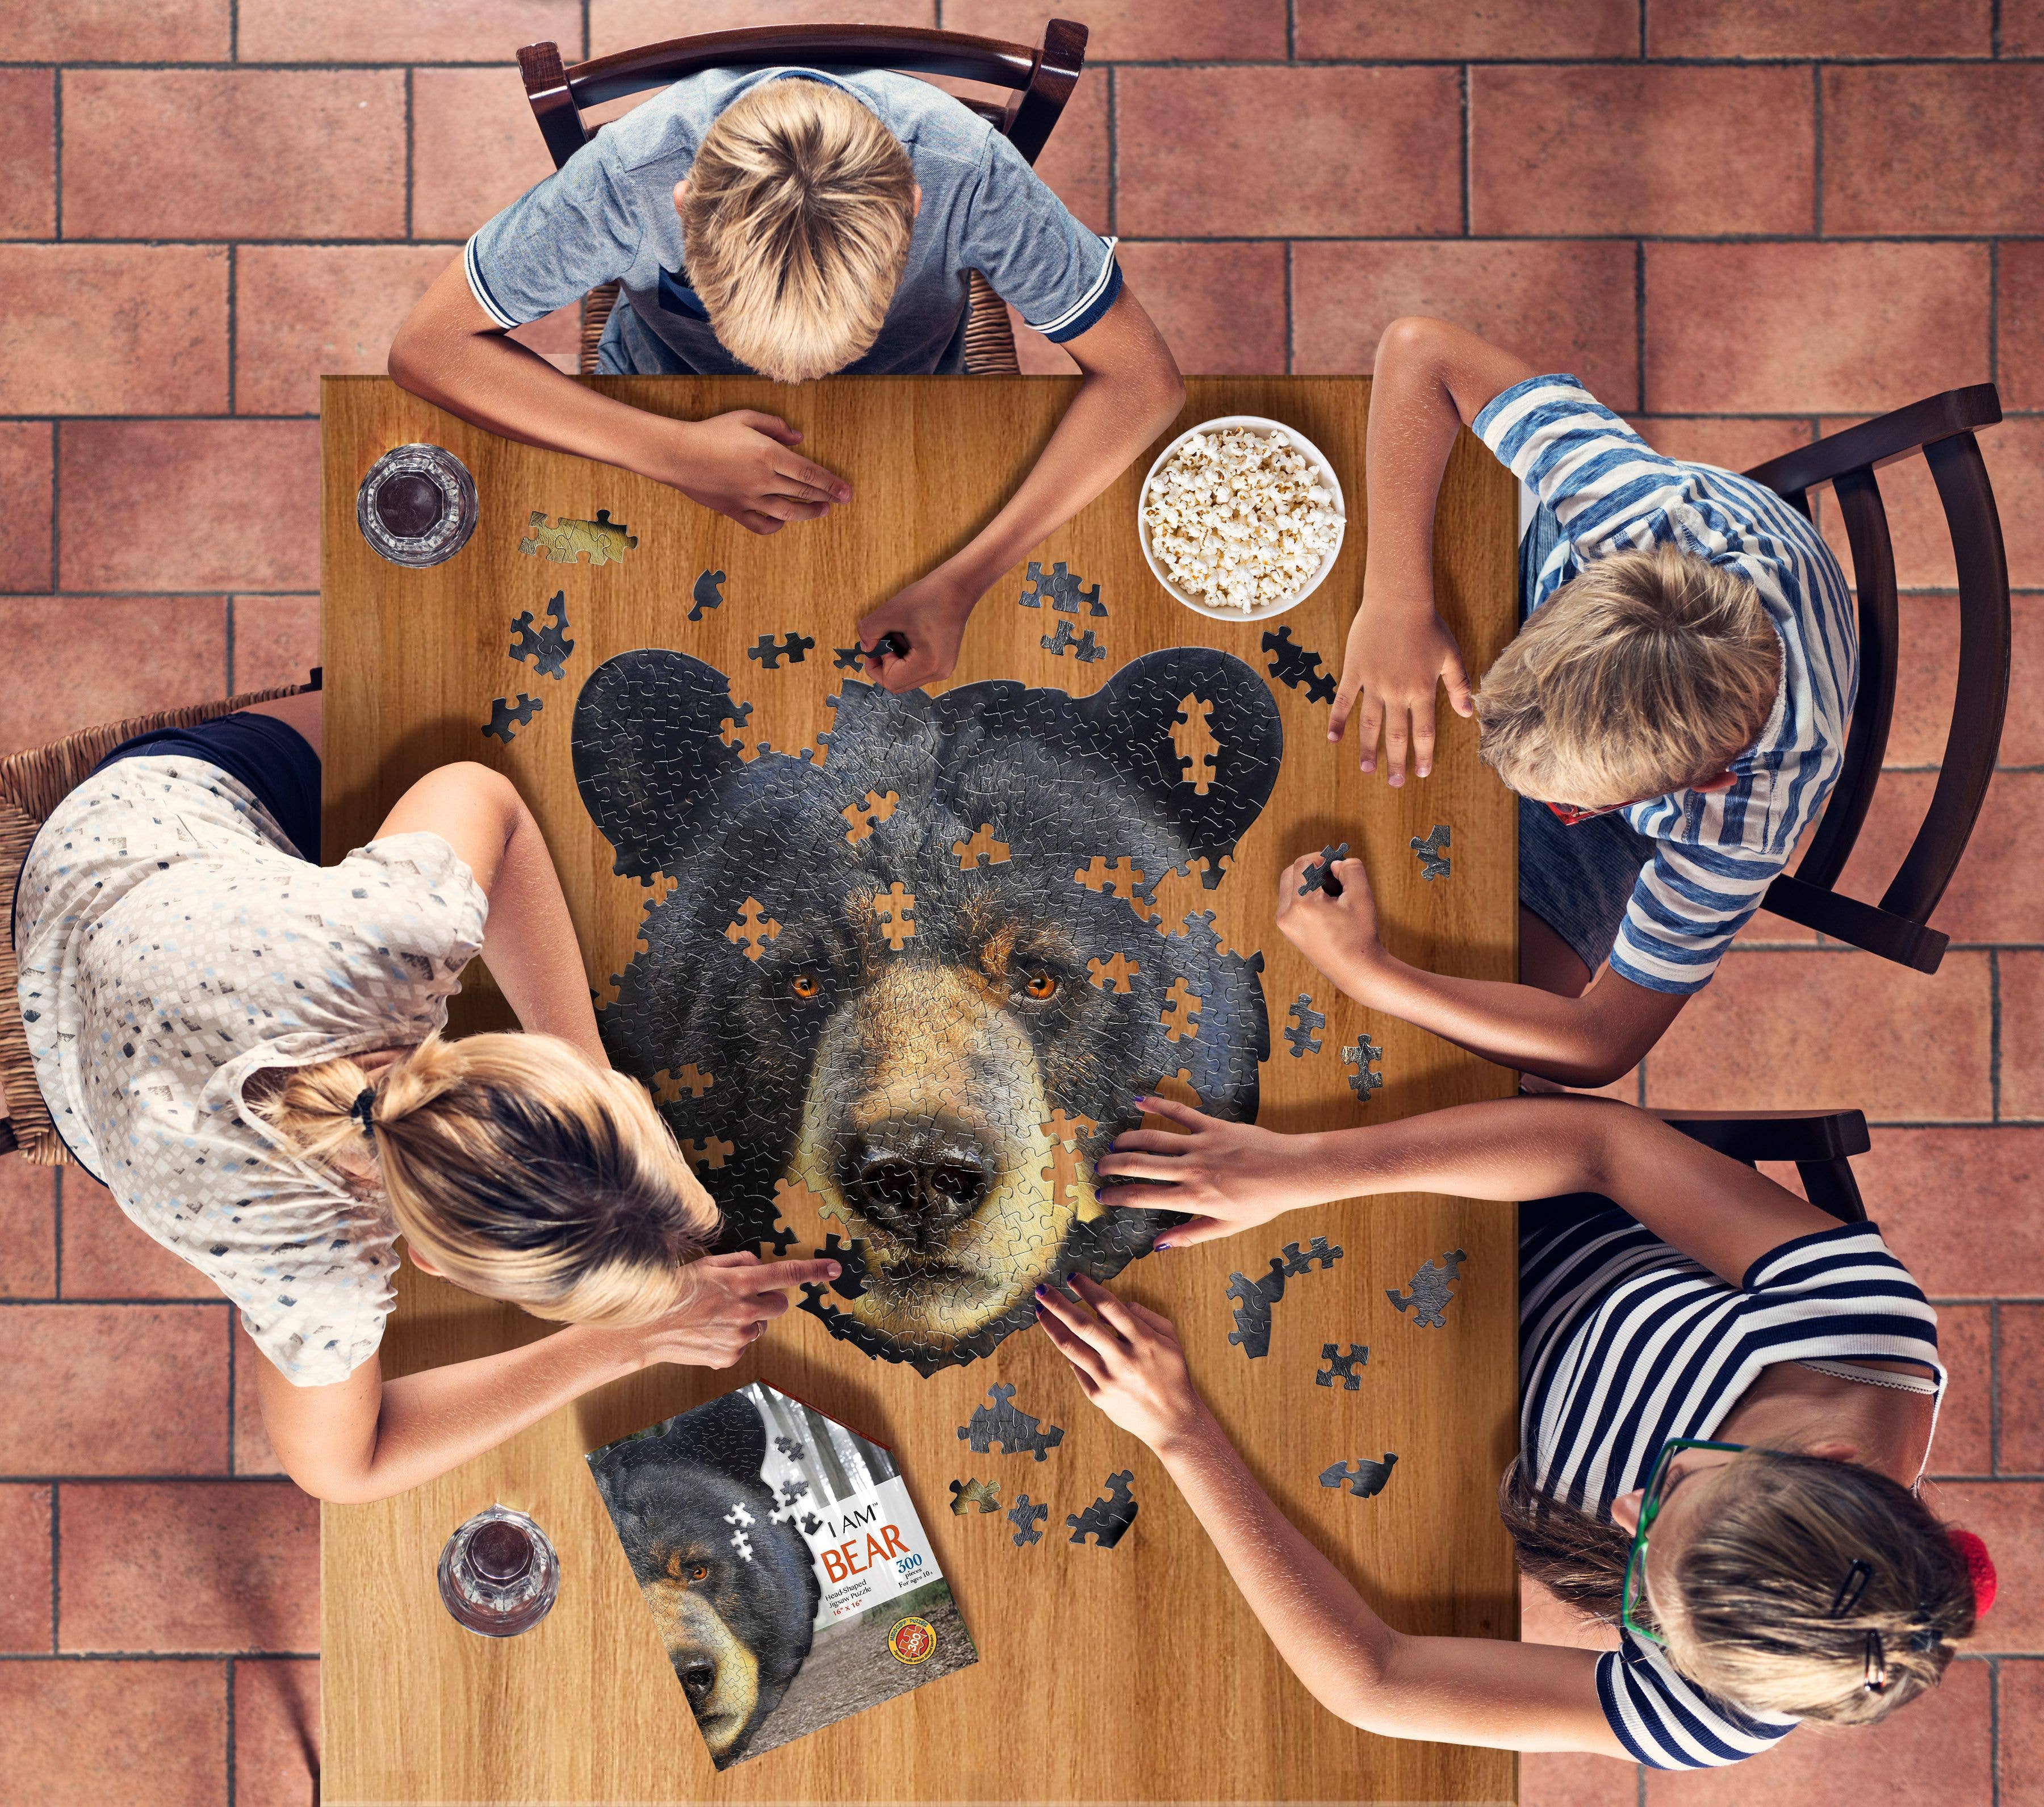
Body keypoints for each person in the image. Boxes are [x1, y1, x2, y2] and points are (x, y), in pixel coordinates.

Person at [11, 690, 836, 1503]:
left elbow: (483, 796)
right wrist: (619, 1346)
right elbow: (339, 1470)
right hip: (89, 1006)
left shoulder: (392, 936)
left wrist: (591, 1070)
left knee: (405, 696)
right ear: (430, 1261)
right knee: (396, 693)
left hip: (124, 837)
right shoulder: (306, 1265)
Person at [1030, 1090, 1992, 1770]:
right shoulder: (1863, 1330)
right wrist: (1302, 1166)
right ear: (1828, 1458)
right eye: (1672, 1492)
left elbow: (1379, 1681)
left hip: (1429, 1401)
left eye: (1641, 1585)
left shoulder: (1715, 1709)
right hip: (1480, 1203)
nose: (1623, 1510)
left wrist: (1183, 1433)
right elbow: (1601, 1147)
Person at [389, 69, 1184, 693]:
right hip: (665, 414)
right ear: (681, 205)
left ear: (913, 204)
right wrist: (670, 451)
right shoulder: (626, 176)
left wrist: (966, 580)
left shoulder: (966, 172)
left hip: (914, 411)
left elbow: (1146, 383)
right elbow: (427, 345)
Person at [1309, 316, 1855, 1087]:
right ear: (1596, 579)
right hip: (1616, 628)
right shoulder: (1634, 517)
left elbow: (1602, 1043)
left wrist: (1373, 975)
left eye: (1565, 802)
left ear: (1703, 782)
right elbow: (1416, 347)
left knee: (1467, 1037)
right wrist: (1397, 597)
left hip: (1635, 802)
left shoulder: (1743, 818)